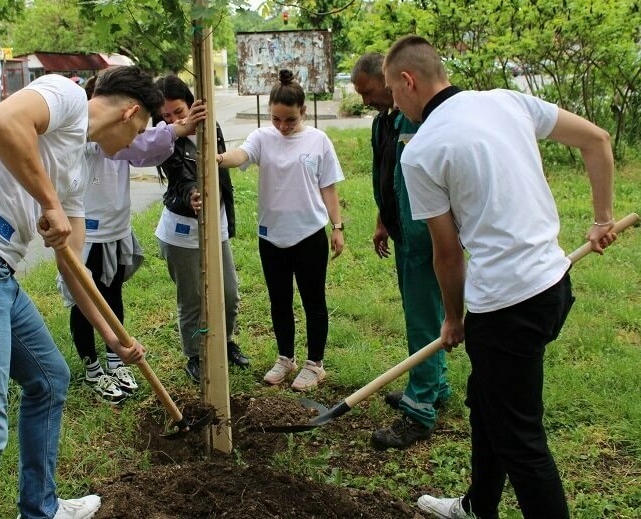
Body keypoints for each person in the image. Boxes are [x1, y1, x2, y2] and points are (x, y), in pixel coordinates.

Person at [0, 67, 162, 519]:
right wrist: (48, 204)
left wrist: (114, 338)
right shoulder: (64, 95)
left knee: (49, 379)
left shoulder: (76, 167)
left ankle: (41, 508)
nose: (133, 143)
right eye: (139, 130)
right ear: (130, 112)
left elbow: (75, 268)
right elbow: (2, 121)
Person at [383, 35, 615, 519]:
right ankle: (477, 505)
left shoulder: (421, 150)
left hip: (507, 307)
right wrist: (601, 218)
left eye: (391, 91)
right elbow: (597, 140)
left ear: (409, 81)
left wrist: (451, 319)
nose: (393, 103)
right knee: (487, 404)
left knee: (522, 441)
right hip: (555, 283)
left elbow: (447, 255)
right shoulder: (505, 101)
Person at [57, 75, 204, 403]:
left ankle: (113, 358)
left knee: (112, 294)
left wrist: (174, 130)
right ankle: (92, 366)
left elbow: (142, 147)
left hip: (115, 230)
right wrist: (177, 129)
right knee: (84, 304)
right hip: (88, 235)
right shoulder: (80, 137)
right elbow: (141, 144)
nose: (132, 139)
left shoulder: (118, 139)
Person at [219, 69, 345, 391]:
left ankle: (315, 364)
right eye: (276, 119)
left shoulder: (318, 140)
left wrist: (337, 226)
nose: (283, 126)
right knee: (279, 300)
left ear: (302, 111)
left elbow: (328, 186)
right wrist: (219, 157)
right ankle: (285, 357)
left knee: (313, 300)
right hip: (271, 235)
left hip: (309, 235)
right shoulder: (263, 137)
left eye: (289, 120)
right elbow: (242, 155)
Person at [351, 52, 451, 450]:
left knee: (424, 322)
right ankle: (434, 386)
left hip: (427, 238)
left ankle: (420, 409)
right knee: (422, 316)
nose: (365, 100)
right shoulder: (386, 122)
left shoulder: (421, 121)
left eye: (370, 91)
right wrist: (382, 220)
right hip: (403, 233)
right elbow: (391, 175)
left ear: (391, 81)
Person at [153, 74, 249, 384]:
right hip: (181, 232)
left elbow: (219, 172)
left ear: (193, 104)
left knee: (229, 294)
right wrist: (192, 195)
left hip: (215, 225)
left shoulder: (212, 128)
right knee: (192, 299)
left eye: (178, 112)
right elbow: (179, 178)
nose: (173, 120)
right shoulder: (164, 137)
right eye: (165, 116)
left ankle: (226, 342)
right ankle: (195, 354)